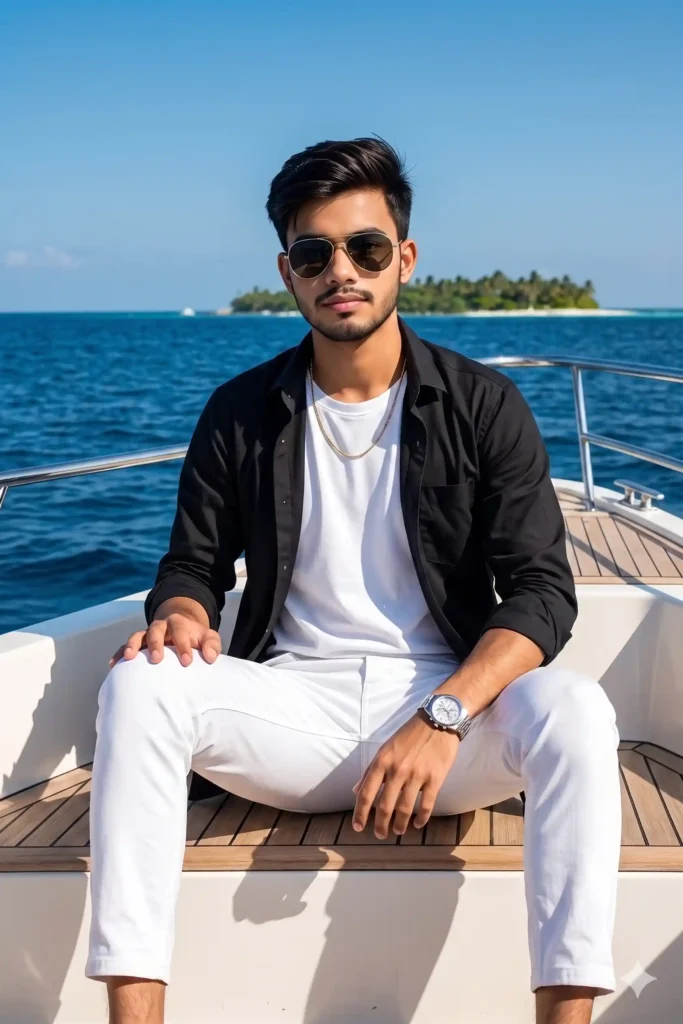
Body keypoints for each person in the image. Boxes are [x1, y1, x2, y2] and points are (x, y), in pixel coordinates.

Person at [86, 136, 621, 1024]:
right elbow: (191, 566)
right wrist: (179, 612)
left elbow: (540, 589)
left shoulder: (484, 406)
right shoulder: (240, 413)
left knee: (576, 711)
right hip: (292, 714)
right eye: (314, 253)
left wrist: (443, 714)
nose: (342, 271)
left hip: (446, 720)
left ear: (403, 259)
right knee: (139, 683)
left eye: (365, 248)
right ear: (288, 272)